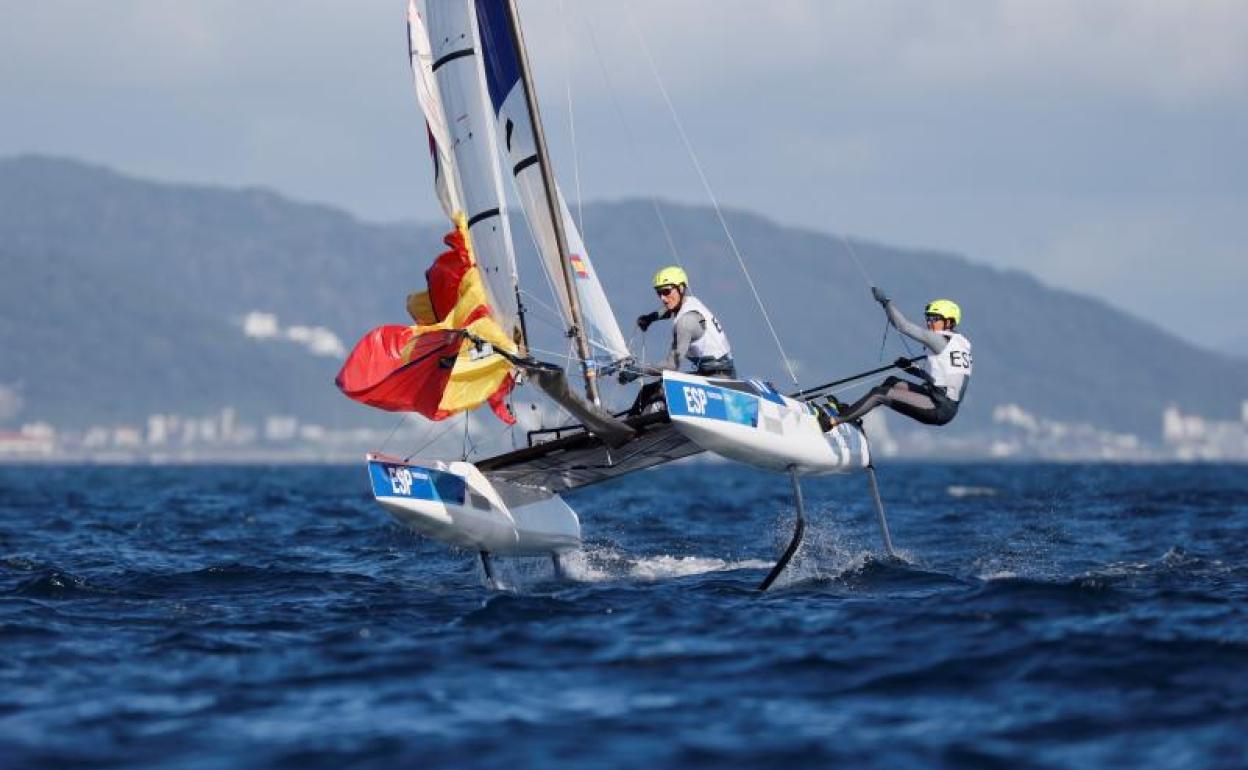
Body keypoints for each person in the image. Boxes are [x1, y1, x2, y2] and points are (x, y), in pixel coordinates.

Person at [824, 287, 972, 429]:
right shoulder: (960, 344)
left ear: (949, 322)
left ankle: (833, 422)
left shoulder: (940, 340)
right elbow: (943, 381)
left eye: (934, 318)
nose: (929, 322)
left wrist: (885, 302)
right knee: (892, 382)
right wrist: (913, 370)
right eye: (928, 318)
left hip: (939, 407)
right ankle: (851, 415)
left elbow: (903, 326)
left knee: (878, 394)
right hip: (939, 399)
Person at [620, 266, 735, 415]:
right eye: (659, 293)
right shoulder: (689, 301)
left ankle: (634, 431)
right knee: (647, 392)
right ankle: (634, 426)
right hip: (714, 374)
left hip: (719, 381)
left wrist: (636, 370)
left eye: (666, 292)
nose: (662, 298)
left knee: (657, 392)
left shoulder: (685, 323)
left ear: (680, 288)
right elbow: (669, 310)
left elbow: (671, 366)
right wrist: (650, 318)